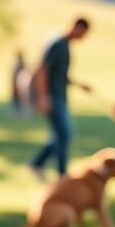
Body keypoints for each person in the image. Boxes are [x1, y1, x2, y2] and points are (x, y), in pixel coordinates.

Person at [29, 17, 91, 179]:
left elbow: (60, 74)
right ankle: (62, 174)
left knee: (60, 135)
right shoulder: (57, 43)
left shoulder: (65, 45)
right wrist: (43, 97)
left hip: (59, 96)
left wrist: (79, 85)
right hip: (52, 96)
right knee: (64, 134)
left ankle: (36, 164)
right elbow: (43, 69)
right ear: (76, 27)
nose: (82, 38)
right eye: (82, 33)